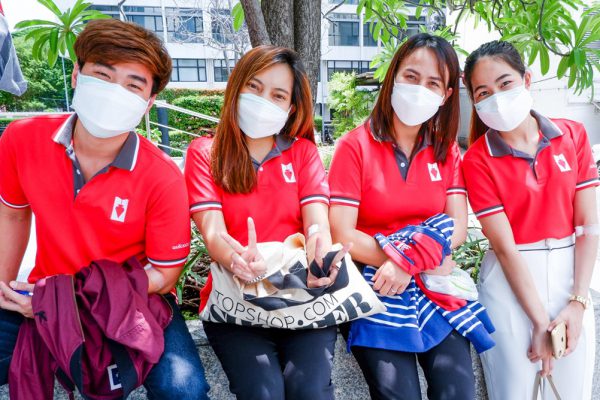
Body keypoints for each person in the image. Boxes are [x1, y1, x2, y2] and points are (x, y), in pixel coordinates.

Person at [0, 19, 210, 399]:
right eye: (103, 75)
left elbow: (164, 276)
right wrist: (3, 288)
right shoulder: (21, 139)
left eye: (133, 85)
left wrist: (68, 302)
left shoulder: (162, 176)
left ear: (148, 103)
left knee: (185, 388)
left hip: (134, 298)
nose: (115, 92)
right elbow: (13, 213)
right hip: (45, 288)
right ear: (77, 75)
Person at [328, 33, 494, 400]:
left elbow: (458, 227)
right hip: (374, 285)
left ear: (446, 95)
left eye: (433, 83)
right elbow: (342, 233)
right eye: (411, 76)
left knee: (458, 392)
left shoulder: (446, 150)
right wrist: (399, 262)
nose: (420, 89)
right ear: (393, 78)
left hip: (432, 283)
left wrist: (409, 262)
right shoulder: (354, 146)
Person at [185, 45, 346, 400]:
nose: (262, 101)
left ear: (290, 109)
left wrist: (321, 257)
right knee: (262, 393)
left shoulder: (302, 152)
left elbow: (316, 222)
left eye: (278, 95)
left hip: (301, 293)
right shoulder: (205, 153)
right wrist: (237, 259)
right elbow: (213, 231)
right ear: (236, 86)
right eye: (254, 87)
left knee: (310, 390)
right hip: (234, 299)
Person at [462, 40, 597, 400]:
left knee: (574, 393)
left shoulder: (573, 135)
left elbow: (588, 227)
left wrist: (578, 302)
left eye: (505, 83)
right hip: (510, 288)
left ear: (526, 79)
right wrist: (539, 322)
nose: (496, 97)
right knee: (516, 392)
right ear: (474, 100)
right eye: (483, 92)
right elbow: (505, 248)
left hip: (572, 280)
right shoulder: (476, 160)